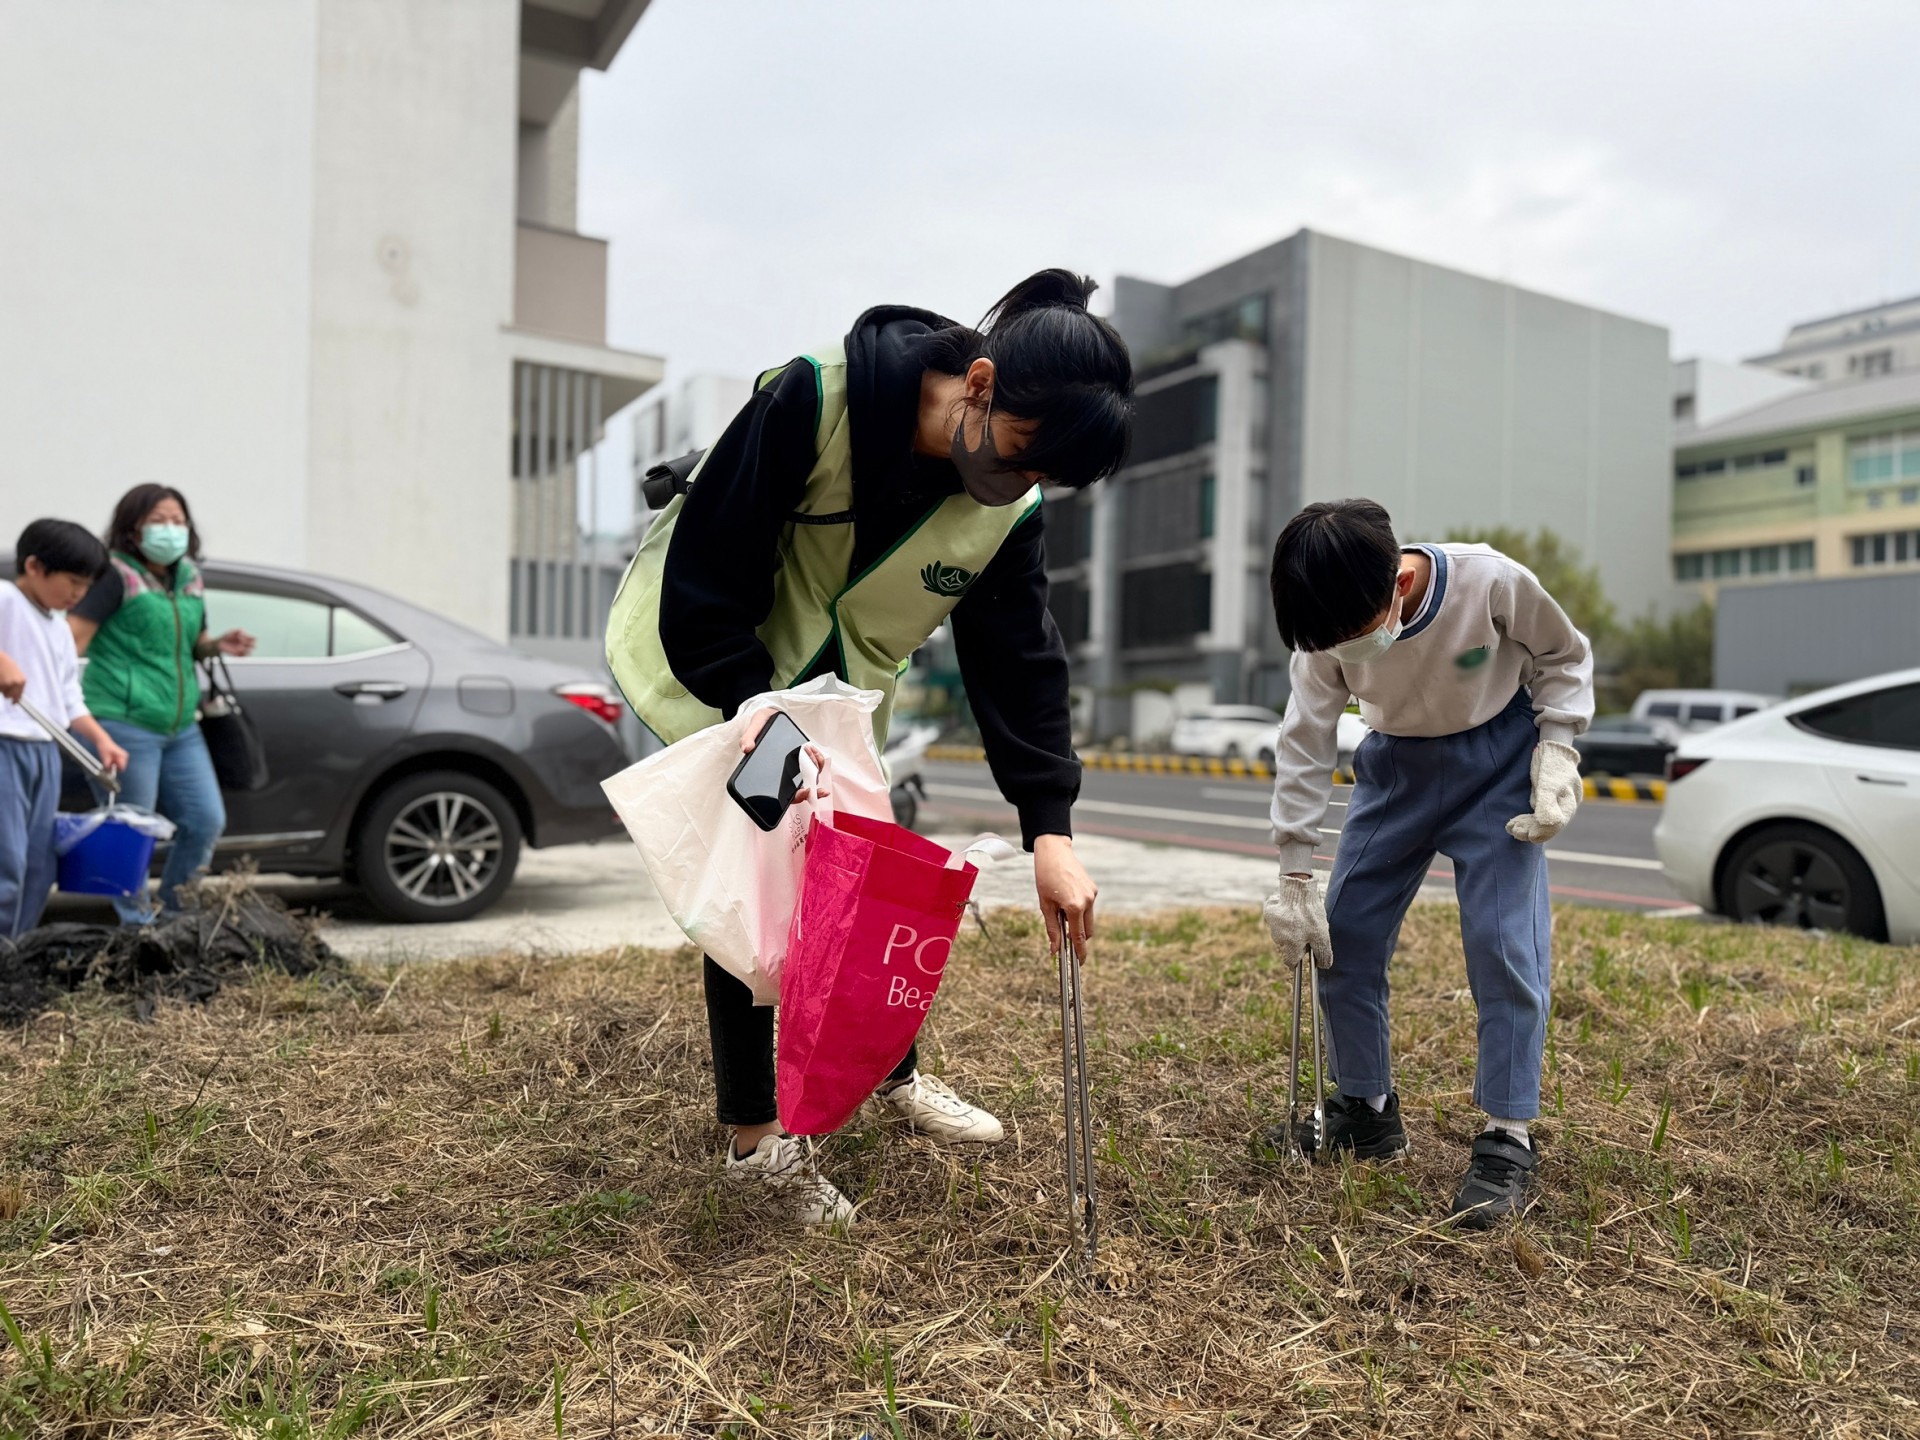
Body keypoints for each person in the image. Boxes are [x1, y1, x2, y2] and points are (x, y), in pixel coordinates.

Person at [608, 269, 1133, 1222]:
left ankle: (893, 1081)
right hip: (723, 663)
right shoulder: (814, 399)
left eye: (1047, 476)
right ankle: (756, 1142)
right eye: (1024, 454)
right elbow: (709, 576)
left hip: (842, 702)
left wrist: (1048, 830)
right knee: (763, 882)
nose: (1025, 483)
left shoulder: (1009, 512)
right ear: (978, 385)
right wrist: (759, 718)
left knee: (868, 877)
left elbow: (1020, 663)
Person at [1260, 499, 1593, 1228]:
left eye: (1354, 634)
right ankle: (1367, 1108)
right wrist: (1293, 871)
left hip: (1496, 766)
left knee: (1505, 947)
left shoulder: (1489, 582)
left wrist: (1558, 750)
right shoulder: (1324, 630)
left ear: (1398, 588)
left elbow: (1565, 656)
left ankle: (1507, 1137)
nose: (1345, 649)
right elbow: (1307, 739)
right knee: (1340, 937)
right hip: (1395, 774)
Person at [67, 485, 255, 922]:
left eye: (178, 520)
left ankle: (177, 913)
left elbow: (191, 643)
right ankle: (137, 930)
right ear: (133, 527)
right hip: (123, 721)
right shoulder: (114, 575)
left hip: (180, 726)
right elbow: (72, 640)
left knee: (205, 820)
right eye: (159, 520)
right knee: (132, 832)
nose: (170, 530)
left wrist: (217, 645)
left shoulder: (189, 577)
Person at [0, 520, 129, 938]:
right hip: (6, 745)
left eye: (86, 585)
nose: (79, 594)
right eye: (73, 581)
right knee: (7, 861)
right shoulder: (4, 598)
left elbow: (68, 696)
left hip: (46, 749)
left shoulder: (57, 624)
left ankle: (14, 955)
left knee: (38, 865)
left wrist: (101, 739)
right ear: (35, 566)